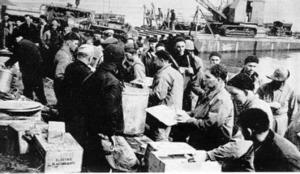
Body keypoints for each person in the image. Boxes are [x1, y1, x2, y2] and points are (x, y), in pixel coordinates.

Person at [81, 44, 125, 172]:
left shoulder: (92, 75)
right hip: (104, 133)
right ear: (119, 60)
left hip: (90, 128)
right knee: (103, 167)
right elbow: (112, 112)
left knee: (91, 164)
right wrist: (112, 134)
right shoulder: (113, 82)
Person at [176, 64, 234, 150]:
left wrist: (188, 120)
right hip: (202, 136)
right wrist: (184, 113)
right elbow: (199, 111)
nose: (204, 80)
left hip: (212, 142)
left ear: (218, 80)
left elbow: (211, 124)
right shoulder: (210, 92)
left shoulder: (221, 99)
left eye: (208, 77)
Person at [147, 50, 184, 141]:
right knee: (165, 134)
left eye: (155, 60)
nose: (154, 62)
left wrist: (146, 91)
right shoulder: (175, 72)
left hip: (163, 111)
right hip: (174, 110)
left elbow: (159, 95)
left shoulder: (163, 74)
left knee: (159, 136)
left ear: (162, 60)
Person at [61, 44, 93, 146]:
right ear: (89, 58)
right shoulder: (87, 72)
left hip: (67, 104)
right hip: (79, 110)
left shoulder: (69, 66)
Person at [5, 31, 47, 105]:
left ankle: (30, 102)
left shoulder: (21, 44)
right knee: (37, 87)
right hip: (37, 67)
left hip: (30, 69)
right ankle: (42, 102)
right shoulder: (28, 42)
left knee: (29, 86)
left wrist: (7, 64)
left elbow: (16, 56)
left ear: (17, 38)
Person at [257, 67, 298, 136]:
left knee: (279, 142)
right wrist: (269, 105)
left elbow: (293, 111)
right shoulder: (263, 87)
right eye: (273, 79)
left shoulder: (291, 91)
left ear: (284, 81)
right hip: (265, 119)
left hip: (281, 121)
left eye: (278, 81)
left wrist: (290, 127)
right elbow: (256, 102)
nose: (274, 82)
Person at [53, 32, 80, 113]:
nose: (77, 46)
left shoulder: (65, 53)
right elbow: (59, 75)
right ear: (69, 42)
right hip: (62, 87)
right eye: (75, 43)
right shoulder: (64, 56)